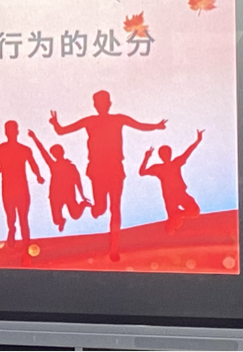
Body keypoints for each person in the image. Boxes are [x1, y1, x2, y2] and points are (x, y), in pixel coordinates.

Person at [50, 89, 166, 261]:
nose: (102, 105)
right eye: (99, 103)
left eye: (104, 102)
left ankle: (114, 248)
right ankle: (91, 208)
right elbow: (62, 131)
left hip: (115, 169)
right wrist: (55, 124)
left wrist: (156, 126)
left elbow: (139, 125)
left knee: (115, 208)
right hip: (97, 170)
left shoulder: (118, 119)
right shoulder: (90, 121)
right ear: (95, 105)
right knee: (100, 208)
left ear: (109, 103)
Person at [0, 120, 45, 248]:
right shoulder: (1, 149)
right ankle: (13, 232)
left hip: (20, 187)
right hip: (10, 187)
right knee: (12, 216)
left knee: (22, 217)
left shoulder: (23, 150)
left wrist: (38, 175)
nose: (12, 132)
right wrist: (3, 168)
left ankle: (25, 243)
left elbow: (33, 164)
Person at [139, 130, 204, 234]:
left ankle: (177, 216)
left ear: (170, 153)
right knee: (174, 225)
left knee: (195, 211)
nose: (166, 155)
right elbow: (142, 172)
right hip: (170, 197)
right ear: (160, 156)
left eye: (168, 152)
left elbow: (188, 152)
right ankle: (174, 222)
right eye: (163, 153)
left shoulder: (176, 163)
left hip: (180, 193)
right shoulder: (158, 168)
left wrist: (198, 140)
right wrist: (146, 157)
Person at [26, 129, 91, 233]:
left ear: (62, 152)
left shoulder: (70, 166)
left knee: (75, 215)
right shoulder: (53, 165)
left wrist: (82, 196)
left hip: (68, 193)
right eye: (53, 153)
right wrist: (34, 138)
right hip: (56, 195)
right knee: (57, 220)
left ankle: (83, 205)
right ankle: (62, 221)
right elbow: (43, 152)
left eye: (57, 152)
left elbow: (77, 182)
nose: (55, 154)